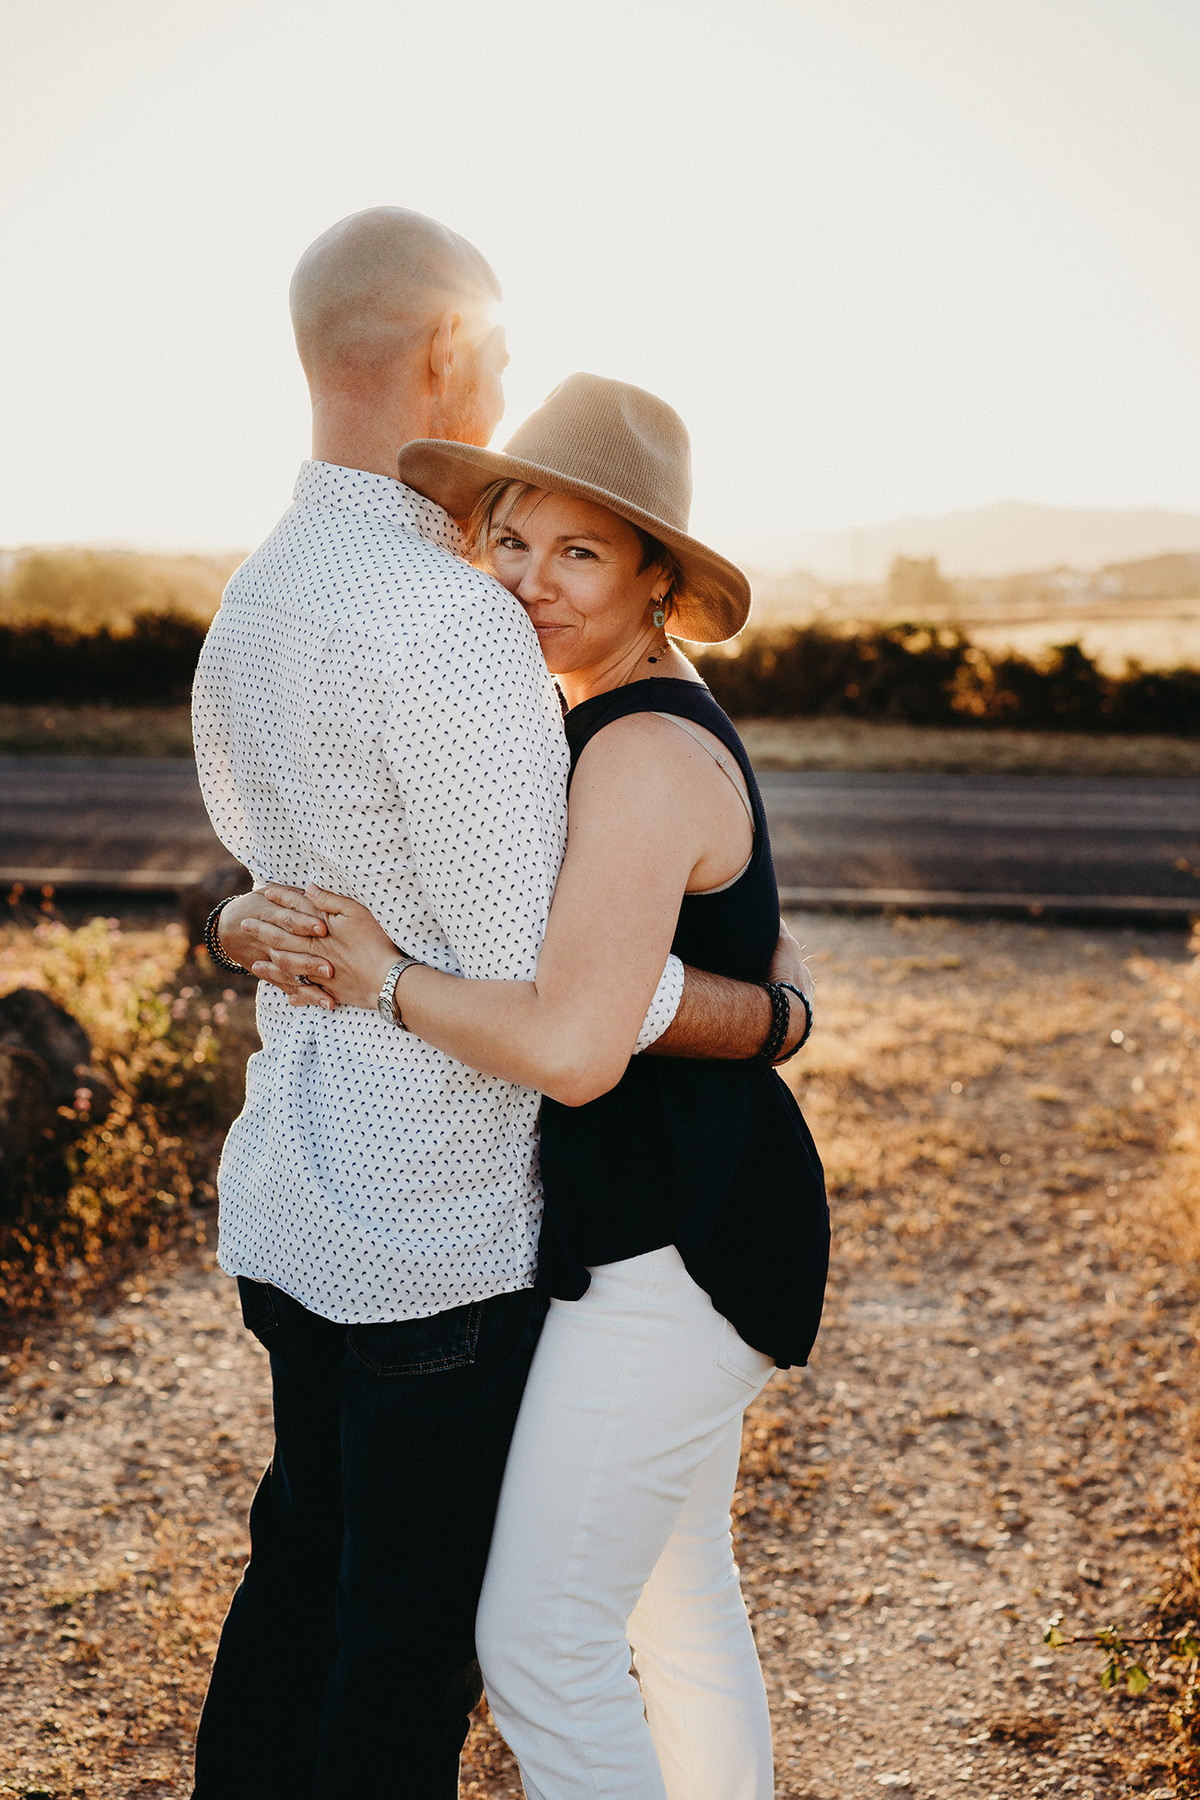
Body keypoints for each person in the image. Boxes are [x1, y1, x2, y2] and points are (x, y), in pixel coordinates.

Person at [190, 209, 812, 1800]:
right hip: (440, 1231)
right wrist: (764, 1010)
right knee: (410, 1647)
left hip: (325, 1195)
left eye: (576, 548)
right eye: (518, 537)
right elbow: (543, 977)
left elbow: (535, 984)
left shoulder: (253, 595)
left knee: (320, 1601)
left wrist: (288, 930)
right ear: (454, 353)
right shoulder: (453, 625)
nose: (528, 576)